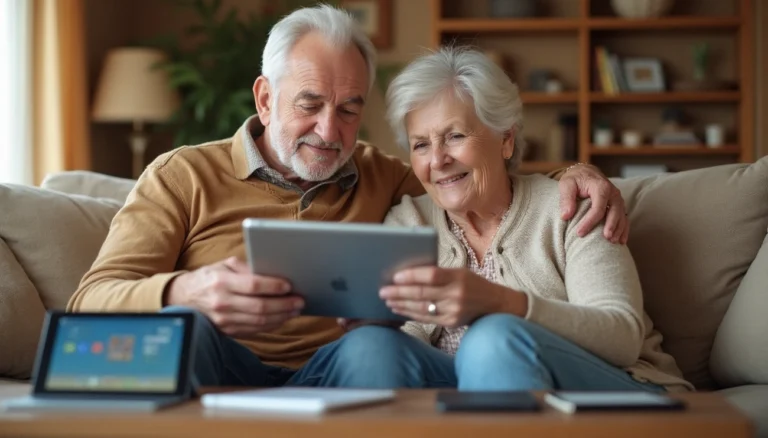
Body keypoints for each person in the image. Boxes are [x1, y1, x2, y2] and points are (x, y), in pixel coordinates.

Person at [67, 5, 629, 389]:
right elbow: (89, 302)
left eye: (350, 109)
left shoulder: (388, 180)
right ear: (265, 99)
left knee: (373, 350)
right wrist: (185, 289)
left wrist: (579, 173)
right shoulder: (181, 175)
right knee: (179, 335)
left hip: (342, 371)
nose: (330, 131)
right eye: (309, 103)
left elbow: (476, 182)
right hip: (223, 361)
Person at [381, 47, 693, 392]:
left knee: (492, 339)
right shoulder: (408, 221)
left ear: (506, 140)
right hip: (463, 393)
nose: (437, 160)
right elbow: (403, 337)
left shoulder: (571, 208)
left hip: (610, 387)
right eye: (421, 144)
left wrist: (505, 304)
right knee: (371, 347)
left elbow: (622, 335)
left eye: (455, 136)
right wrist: (378, 326)